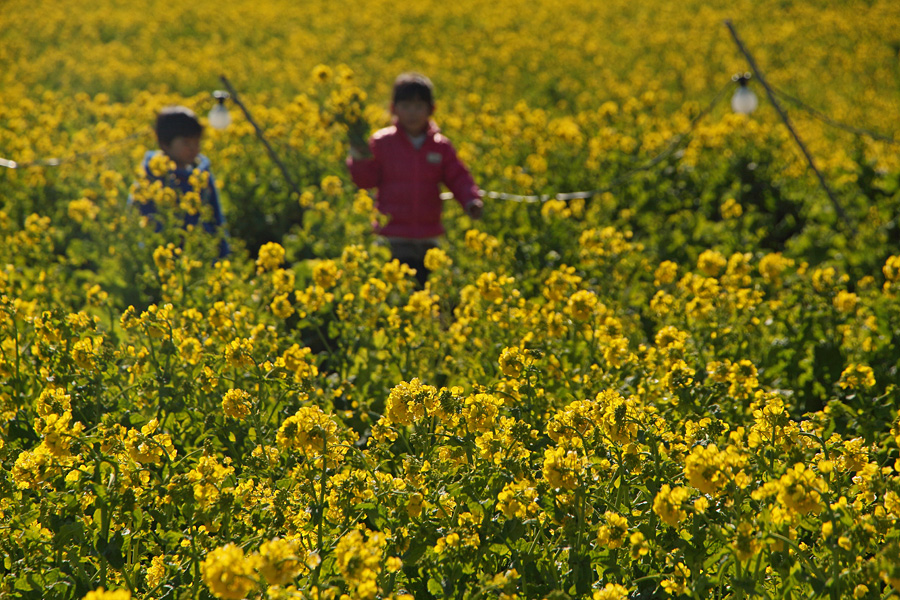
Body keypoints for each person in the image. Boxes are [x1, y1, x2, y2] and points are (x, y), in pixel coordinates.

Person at [347, 72, 483, 286]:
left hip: (428, 236)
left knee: (428, 293)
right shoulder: (382, 143)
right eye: (406, 106)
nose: (413, 113)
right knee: (396, 295)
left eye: (419, 107)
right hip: (392, 236)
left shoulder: (440, 146)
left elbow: (458, 177)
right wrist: (359, 157)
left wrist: (470, 200)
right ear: (393, 108)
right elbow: (366, 181)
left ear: (431, 109)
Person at [131, 105, 230, 258]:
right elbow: (139, 220)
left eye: (197, 143)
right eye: (186, 143)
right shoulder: (150, 177)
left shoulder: (201, 173)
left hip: (202, 257)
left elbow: (217, 218)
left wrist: (223, 254)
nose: (194, 149)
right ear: (165, 144)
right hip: (164, 258)